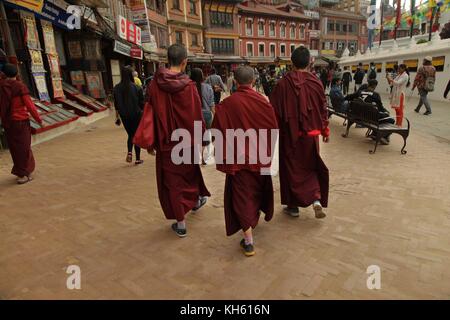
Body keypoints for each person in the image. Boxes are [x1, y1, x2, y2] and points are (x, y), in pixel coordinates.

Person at [138, 44, 210, 237]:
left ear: (167, 60)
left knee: (173, 183)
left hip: (166, 142)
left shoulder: (154, 84)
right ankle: (193, 203)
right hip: (187, 140)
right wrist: (204, 140)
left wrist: (150, 143)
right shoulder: (189, 86)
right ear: (185, 62)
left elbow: (149, 113)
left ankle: (181, 223)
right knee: (189, 174)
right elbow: (197, 116)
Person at [211, 66, 278, 257]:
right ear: (254, 81)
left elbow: (216, 131)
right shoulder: (264, 103)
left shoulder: (227, 104)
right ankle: (249, 232)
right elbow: (273, 128)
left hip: (238, 161)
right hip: (259, 158)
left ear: (236, 82)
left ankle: (249, 241)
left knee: (242, 198)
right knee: (255, 194)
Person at [269, 47, 330, 219]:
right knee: (311, 166)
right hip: (311, 135)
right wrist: (325, 130)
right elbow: (322, 108)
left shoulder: (282, 84)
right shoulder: (316, 82)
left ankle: (293, 206)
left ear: (291, 62)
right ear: (310, 62)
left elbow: (273, 111)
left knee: (291, 169)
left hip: (290, 137)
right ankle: (316, 199)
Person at [0, 63, 45, 184]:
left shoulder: (2, 86)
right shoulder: (20, 87)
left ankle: (21, 172)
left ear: (3, 74)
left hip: (8, 122)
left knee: (15, 148)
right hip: (20, 121)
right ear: (17, 74)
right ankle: (24, 174)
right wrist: (39, 120)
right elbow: (29, 105)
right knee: (24, 148)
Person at [348, 79, 395, 145]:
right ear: (375, 86)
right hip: (371, 118)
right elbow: (380, 108)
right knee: (391, 120)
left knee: (378, 116)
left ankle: (374, 133)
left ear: (368, 84)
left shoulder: (360, 92)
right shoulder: (376, 94)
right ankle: (384, 136)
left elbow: (349, 97)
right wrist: (386, 112)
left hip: (361, 115)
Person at [113, 66, 144, 165]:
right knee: (136, 135)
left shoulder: (116, 88)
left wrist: (117, 117)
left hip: (124, 115)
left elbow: (116, 105)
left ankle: (130, 152)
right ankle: (138, 158)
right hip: (136, 114)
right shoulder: (137, 88)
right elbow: (142, 103)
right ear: (131, 74)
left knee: (130, 134)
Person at [190, 68, 215, 165]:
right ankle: (207, 156)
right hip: (207, 115)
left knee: (196, 135)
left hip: (194, 115)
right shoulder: (208, 87)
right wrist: (216, 116)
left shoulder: (189, 88)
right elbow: (212, 104)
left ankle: (199, 156)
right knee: (207, 135)